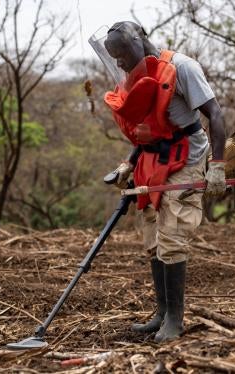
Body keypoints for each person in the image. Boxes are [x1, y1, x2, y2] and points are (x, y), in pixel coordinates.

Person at [89, 21, 226, 343]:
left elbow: (215, 115)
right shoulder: (137, 76)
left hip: (188, 159)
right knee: (153, 239)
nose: (120, 63)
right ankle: (162, 313)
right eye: (115, 58)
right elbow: (151, 127)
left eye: (122, 55)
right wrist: (128, 163)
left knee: (173, 235)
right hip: (152, 162)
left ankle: (175, 321)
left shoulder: (182, 68)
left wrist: (217, 166)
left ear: (137, 43)